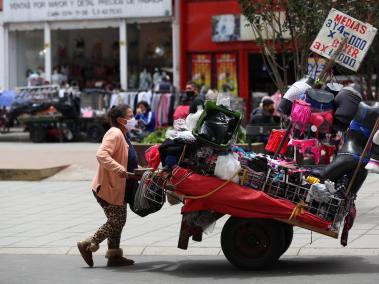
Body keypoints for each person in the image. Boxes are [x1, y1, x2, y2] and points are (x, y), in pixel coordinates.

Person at [77, 104, 138, 267]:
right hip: (108, 187)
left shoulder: (124, 134)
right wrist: (119, 169)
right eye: (131, 116)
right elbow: (101, 154)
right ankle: (87, 244)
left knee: (118, 220)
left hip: (119, 187)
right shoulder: (115, 133)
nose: (134, 119)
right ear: (120, 120)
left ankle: (114, 255)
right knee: (116, 221)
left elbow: (126, 157)